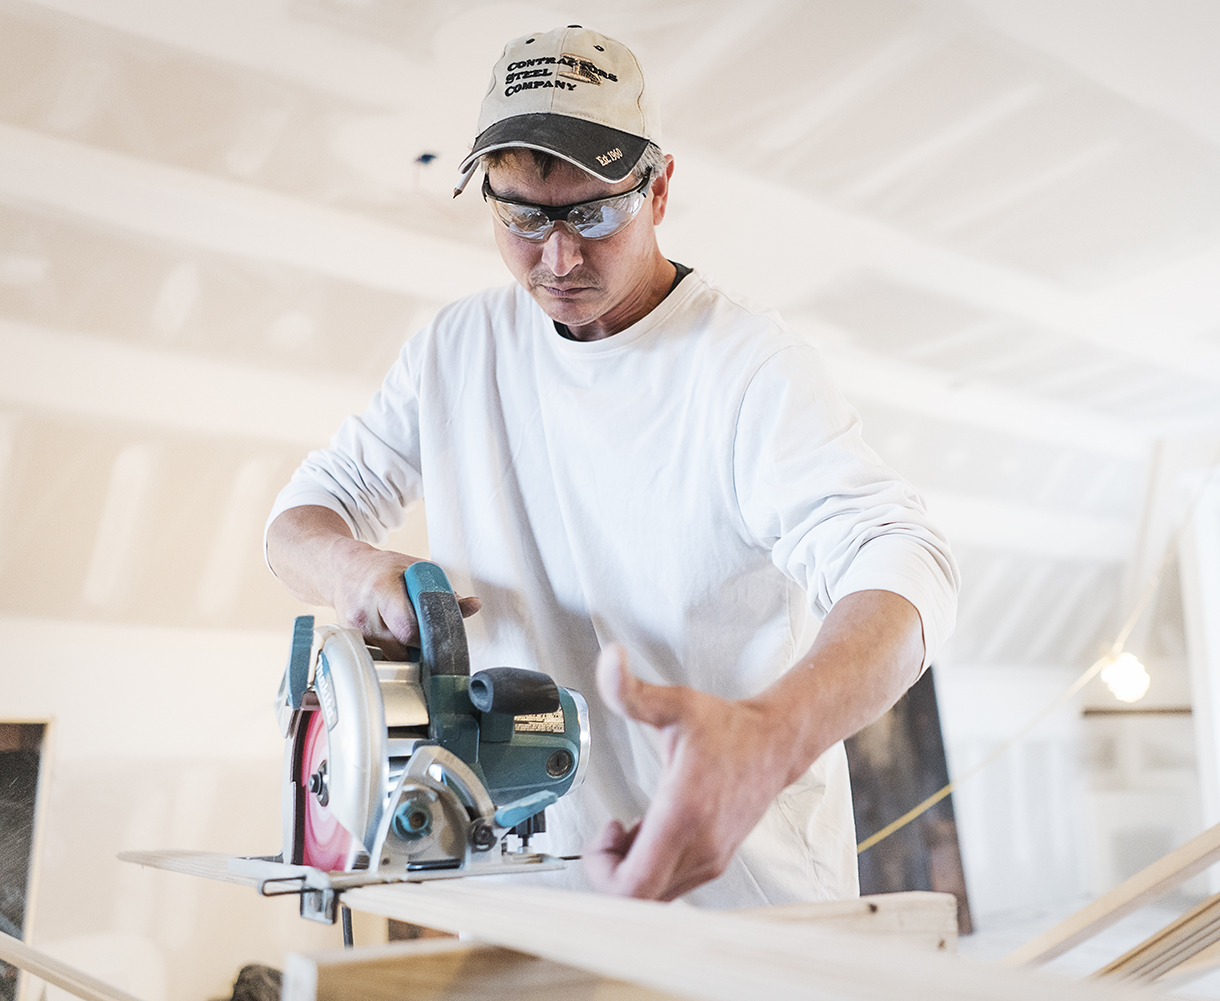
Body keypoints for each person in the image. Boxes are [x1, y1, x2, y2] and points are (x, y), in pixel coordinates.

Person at [264, 25, 958, 908]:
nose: (558, 259)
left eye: (593, 213)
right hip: (551, 899)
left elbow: (905, 562)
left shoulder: (745, 367)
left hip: (751, 901)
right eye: (522, 216)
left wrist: (773, 735)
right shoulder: (455, 351)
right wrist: (354, 568)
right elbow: (297, 521)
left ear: (659, 187)